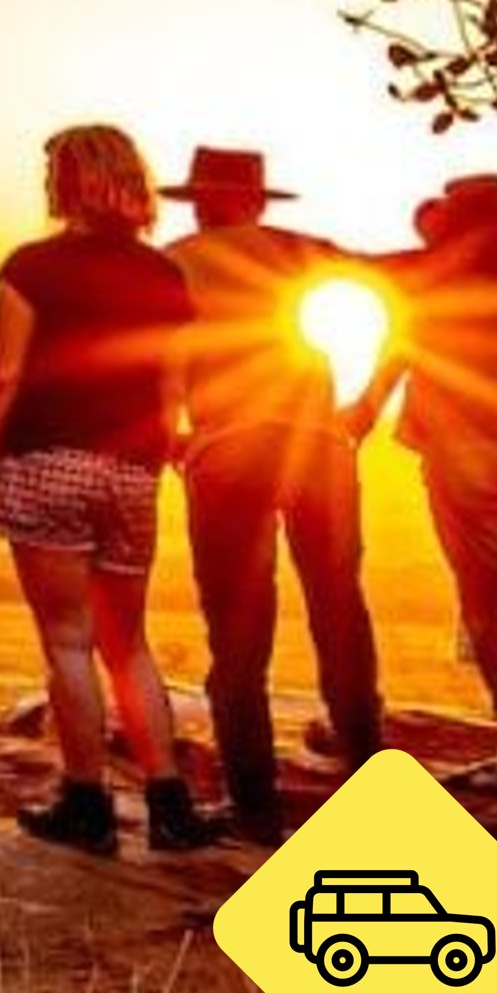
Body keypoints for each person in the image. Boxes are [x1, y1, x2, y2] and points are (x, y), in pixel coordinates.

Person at [0, 125, 217, 855]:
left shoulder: (33, 267)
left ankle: (87, 804)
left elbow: (5, 375)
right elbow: (172, 390)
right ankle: (170, 806)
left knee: (68, 641)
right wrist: (150, 458)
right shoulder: (165, 275)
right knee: (128, 643)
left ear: (68, 181)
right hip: (134, 472)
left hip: (48, 462)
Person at [159, 146, 384, 844]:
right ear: (257, 200)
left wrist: (172, 435)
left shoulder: (174, 260)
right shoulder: (299, 250)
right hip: (319, 444)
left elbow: (155, 354)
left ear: (202, 201)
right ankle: (369, 779)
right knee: (339, 612)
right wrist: (368, 402)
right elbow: (408, 295)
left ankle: (255, 811)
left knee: (237, 634)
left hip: (226, 446)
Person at [355, 172, 497, 795]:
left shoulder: (437, 290)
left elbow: (399, 356)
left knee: (494, 597)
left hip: (468, 455)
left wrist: (359, 417)